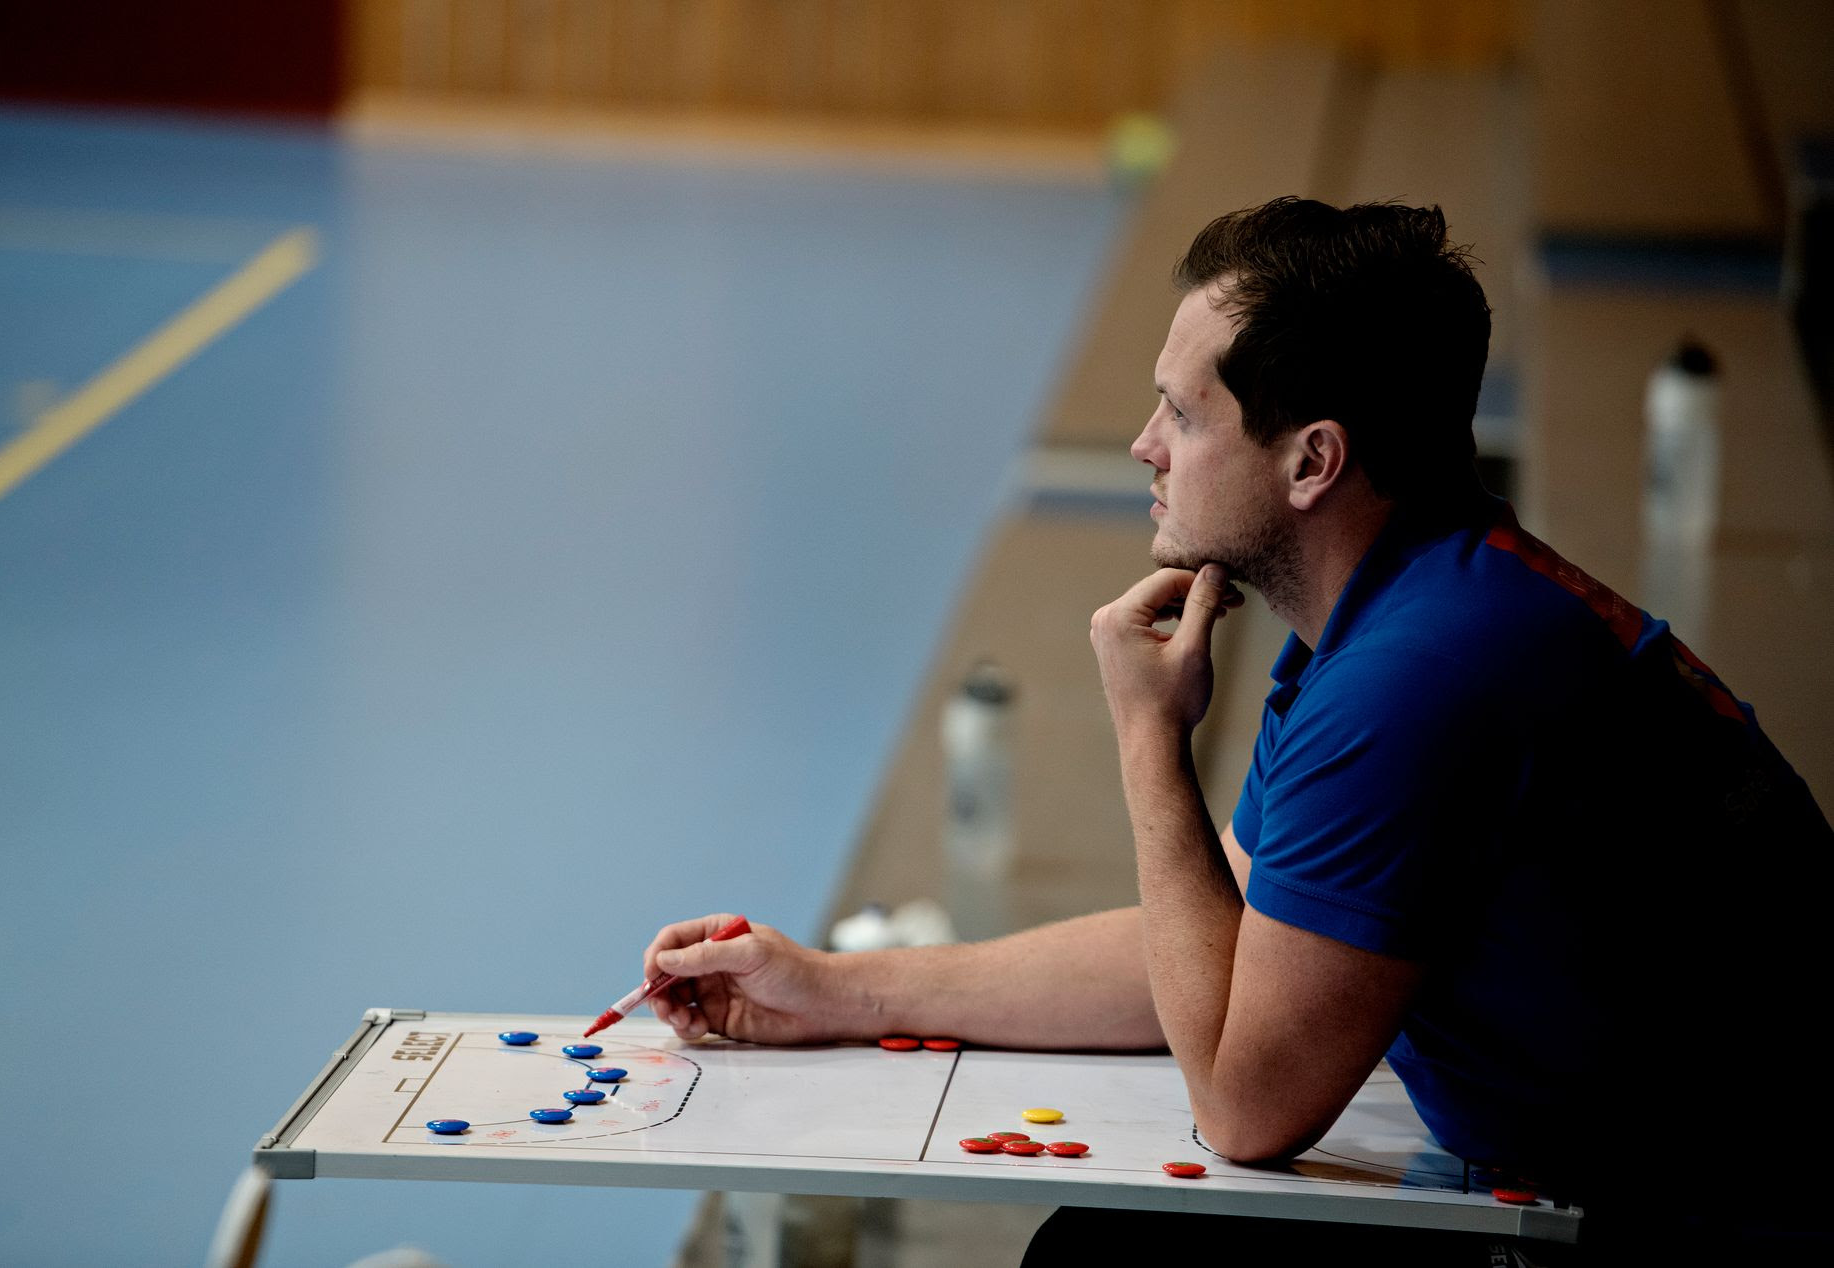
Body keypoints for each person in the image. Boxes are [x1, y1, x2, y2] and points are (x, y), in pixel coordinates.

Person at [639, 199, 1834, 1263]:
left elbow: (1245, 1103)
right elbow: (1242, 929)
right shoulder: (1414, 606)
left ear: (1312, 458)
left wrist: (1147, 741)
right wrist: (836, 990)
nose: (1143, 447)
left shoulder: (1420, 677)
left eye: (1181, 413)